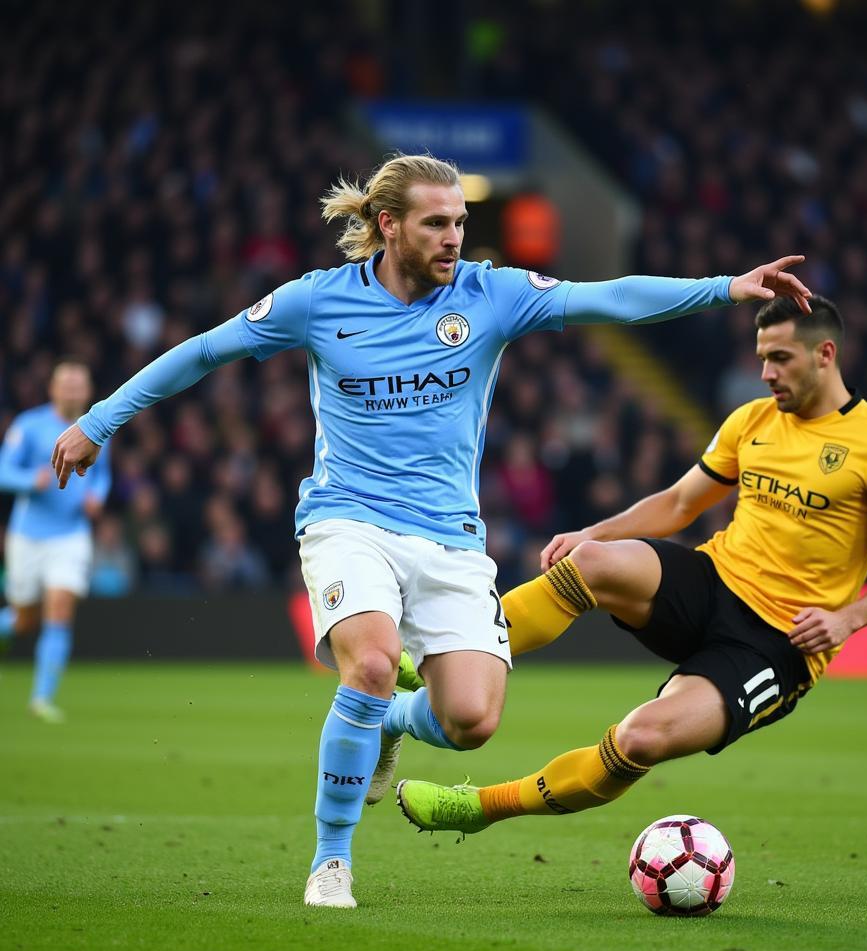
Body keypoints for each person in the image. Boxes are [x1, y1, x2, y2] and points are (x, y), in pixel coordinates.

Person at [50, 153, 812, 909]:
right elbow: (206, 350)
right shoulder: (317, 303)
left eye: (460, 223)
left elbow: (605, 299)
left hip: (449, 538)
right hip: (347, 520)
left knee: (472, 722)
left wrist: (726, 289)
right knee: (373, 664)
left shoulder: (492, 295)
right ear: (388, 226)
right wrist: (99, 421)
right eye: (437, 224)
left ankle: (391, 726)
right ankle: (332, 861)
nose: (454, 238)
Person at [396, 296, 867, 835]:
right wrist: (592, 532)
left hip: (777, 642)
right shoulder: (753, 420)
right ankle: (431, 662)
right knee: (592, 562)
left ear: (825, 354)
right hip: (712, 581)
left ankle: (481, 807)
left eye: (781, 359)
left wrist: (847, 619)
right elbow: (679, 504)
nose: (766, 373)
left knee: (640, 739)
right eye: (761, 358)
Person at [0, 360, 111, 722]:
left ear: (88, 391)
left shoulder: (96, 428)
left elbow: (102, 475)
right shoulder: (29, 426)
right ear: (52, 389)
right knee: (23, 620)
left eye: (79, 386)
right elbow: (3, 471)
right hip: (28, 536)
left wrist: (97, 494)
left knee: (59, 610)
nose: (73, 392)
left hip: (71, 534)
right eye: (66, 385)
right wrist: (30, 480)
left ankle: (41, 700)